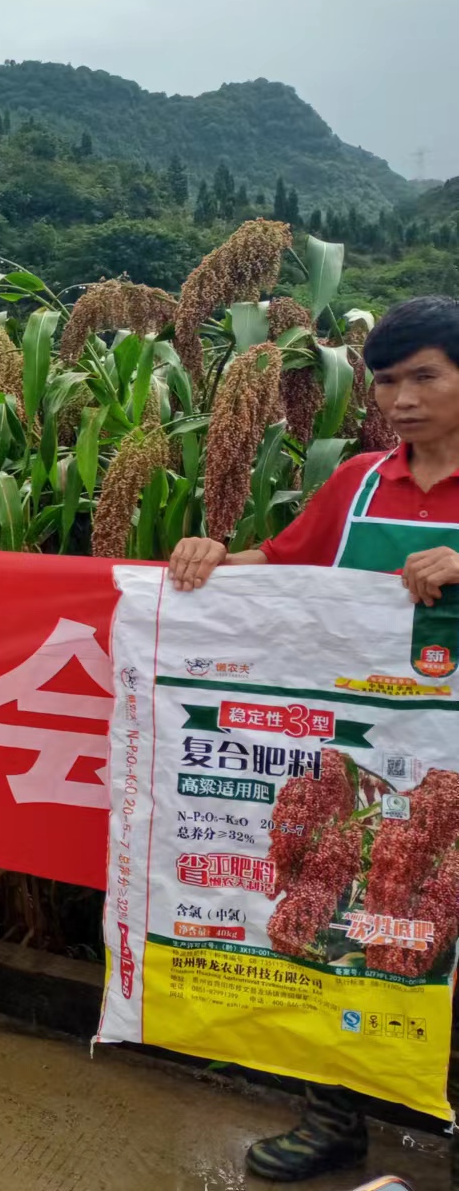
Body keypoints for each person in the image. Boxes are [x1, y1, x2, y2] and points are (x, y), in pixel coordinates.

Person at [170, 295, 459, 1187]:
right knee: (345, 930)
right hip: (365, 768)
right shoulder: (361, 481)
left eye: (425, 378)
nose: (401, 400)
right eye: (388, 382)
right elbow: (284, 561)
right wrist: (215, 559)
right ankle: (333, 1119)